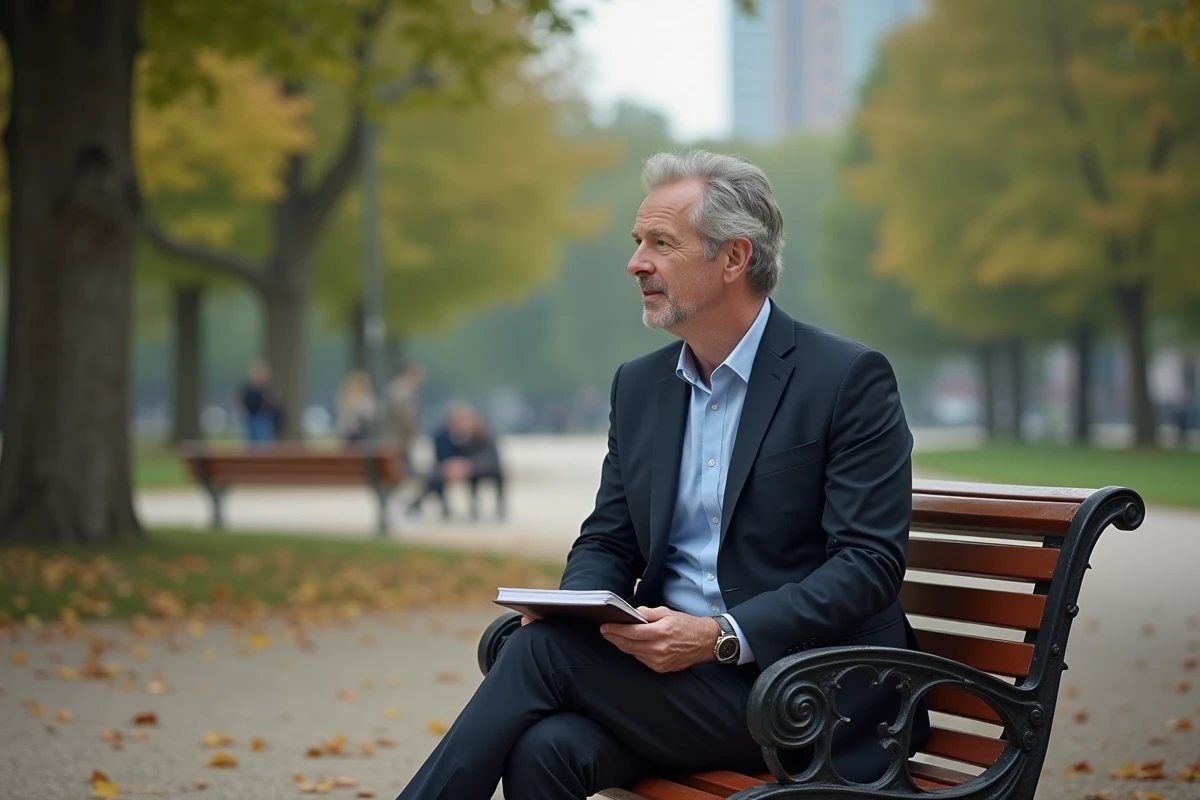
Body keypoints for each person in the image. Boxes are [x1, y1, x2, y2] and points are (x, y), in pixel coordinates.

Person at [395, 149, 929, 799]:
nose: (636, 262)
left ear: (734, 258)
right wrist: (580, 609)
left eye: (660, 243)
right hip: (674, 680)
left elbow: (867, 565)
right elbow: (608, 540)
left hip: (805, 691)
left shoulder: (844, 379)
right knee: (546, 748)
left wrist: (721, 638)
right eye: (637, 241)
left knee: (536, 655)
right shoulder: (642, 386)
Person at [405, 402, 505, 520]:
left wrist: (467, 466)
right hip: (451, 468)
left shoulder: (483, 435)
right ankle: (421, 504)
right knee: (435, 478)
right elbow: (441, 457)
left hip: (478, 469)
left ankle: (417, 504)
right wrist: (452, 466)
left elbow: (489, 459)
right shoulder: (442, 436)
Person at [383, 363, 426, 467]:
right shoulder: (406, 392)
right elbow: (408, 417)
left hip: (394, 436)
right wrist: (414, 433)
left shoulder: (394, 388)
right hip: (401, 438)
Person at [237, 359, 280, 446]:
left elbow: (276, 404)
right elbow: (240, 400)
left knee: (264, 446)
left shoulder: (268, 389)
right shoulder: (247, 389)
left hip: (264, 421)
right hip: (250, 419)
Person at [335, 370, 376, 445]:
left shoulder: (367, 397)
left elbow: (370, 414)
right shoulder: (346, 396)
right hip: (349, 434)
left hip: (364, 432)